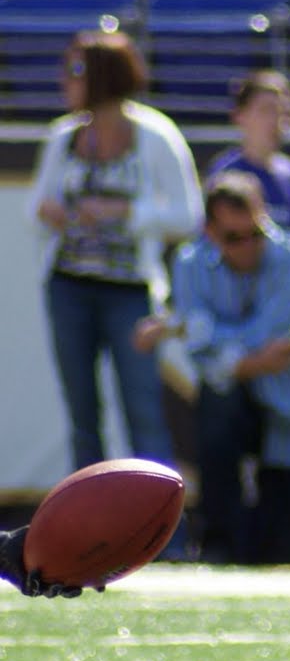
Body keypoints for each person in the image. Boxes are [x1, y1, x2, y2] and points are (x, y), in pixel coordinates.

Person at [27, 33, 202, 476]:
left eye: (76, 71)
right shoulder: (62, 137)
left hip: (131, 293)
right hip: (68, 289)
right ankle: (87, 535)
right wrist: (53, 214)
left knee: (143, 414)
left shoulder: (157, 135)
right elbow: (35, 208)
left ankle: (165, 532)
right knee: (83, 418)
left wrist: (124, 212)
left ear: (102, 77)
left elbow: (189, 217)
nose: (65, 82)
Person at [133, 173, 290, 566]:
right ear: (209, 231)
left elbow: (264, 335)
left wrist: (189, 328)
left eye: (257, 233)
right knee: (218, 403)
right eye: (233, 237)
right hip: (232, 410)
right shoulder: (190, 263)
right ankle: (219, 540)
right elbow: (232, 352)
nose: (248, 247)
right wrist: (244, 359)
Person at [208, 70, 290, 232]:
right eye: (266, 110)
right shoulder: (225, 174)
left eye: (284, 113)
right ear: (239, 115)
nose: (276, 121)